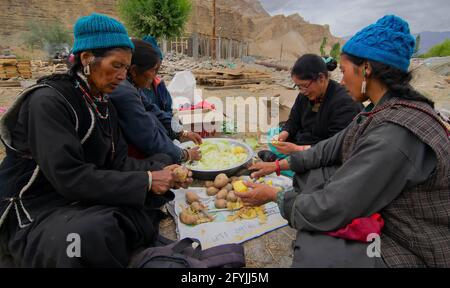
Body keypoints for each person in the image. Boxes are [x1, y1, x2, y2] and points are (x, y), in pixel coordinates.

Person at [237, 15, 450, 268]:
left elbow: (334, 206)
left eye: (345, 70)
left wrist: (276, 197)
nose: (341, 78)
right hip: (386, 206)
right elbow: (332, 146)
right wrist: (278, 166)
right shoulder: (378, 110)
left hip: (409, 241)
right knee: (309, 178)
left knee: (313, 251)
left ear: (366, 69)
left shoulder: (395, 134)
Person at [0, 13, 193, 267]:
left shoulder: (103, 104)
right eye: (116, 65)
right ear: (87, 59)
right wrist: (146, 180)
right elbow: (70, 178)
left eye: (126, 67)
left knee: (161, 165)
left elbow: (118, 162)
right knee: (93, 232)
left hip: (79, 196)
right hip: (39, 206)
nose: (123, 75)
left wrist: (162, 170)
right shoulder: (48, 102)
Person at [109, 39, 202, 163]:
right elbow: (148, 137)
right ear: (134, 70)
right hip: (123, 158)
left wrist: (182, 132)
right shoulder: (124, 92)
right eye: (153, 70)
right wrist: (184, 154)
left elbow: (153, 110)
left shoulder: (133, 86)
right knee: (164, 159)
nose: (155, 76)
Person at [259, 55, 362, 162]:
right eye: (298, 87)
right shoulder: (304, 95)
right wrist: (285, 133)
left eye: (304, 85)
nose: (302, 91)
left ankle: (286, 161)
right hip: (304, 140)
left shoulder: (344, 103)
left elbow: (336, 146)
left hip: (323, 149)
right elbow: (294, 120)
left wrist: (298, 149)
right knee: (274, 134)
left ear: (321, 78)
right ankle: (285, 158)